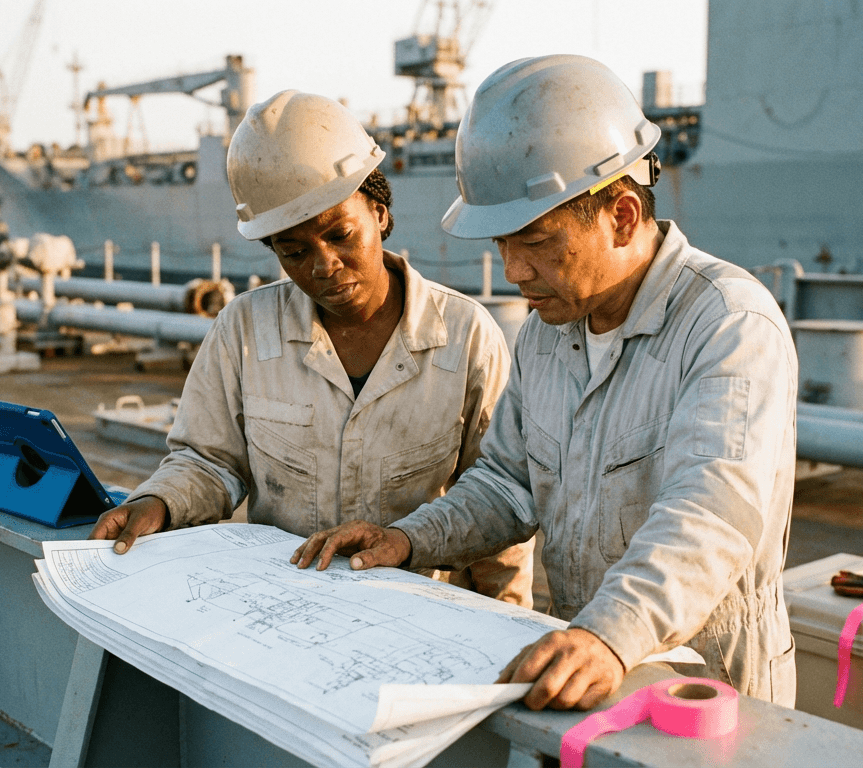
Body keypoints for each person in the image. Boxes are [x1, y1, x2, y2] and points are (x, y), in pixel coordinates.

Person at [292, 55, 799, 710]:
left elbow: (713, 511)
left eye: (533, 240)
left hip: (709, 689)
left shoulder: (728, 324)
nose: (513, 271)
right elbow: (508, 483)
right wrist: (410, 538)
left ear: (619, 215)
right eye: (502, 245)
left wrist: (610, 634)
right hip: (580, 663)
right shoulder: (550, 333)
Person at [89, 90, 534, 606]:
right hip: (283, 612)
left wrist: (507, 621)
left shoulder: (467, 336)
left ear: (381, 214)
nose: (323, 266)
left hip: (417, 615)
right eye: (295, 252)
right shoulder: (243, 330)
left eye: (341, 235)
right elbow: (209, 463)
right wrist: (159, 502)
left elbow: (496, 499)